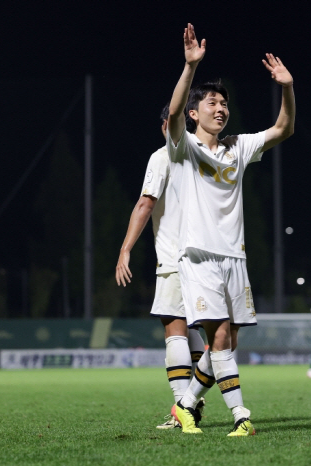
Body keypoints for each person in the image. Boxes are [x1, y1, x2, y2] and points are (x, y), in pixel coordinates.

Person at [166, 23, 295, 436]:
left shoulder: (237, 147)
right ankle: (242, 416)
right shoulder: (185, 146)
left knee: (227, 342)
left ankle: (184, 405)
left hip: (234, 257)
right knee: (219, 335)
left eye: (224, 103)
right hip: (199, 256)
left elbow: (283, 129)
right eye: (212, 103)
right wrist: (190, 67)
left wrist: (287, 88)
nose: (220, 108)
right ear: (195, 113)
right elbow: (172, 116)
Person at [115, 104, 206, 430]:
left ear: (166, 125)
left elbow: (145, 203)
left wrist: (125, 249)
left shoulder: (162, 156)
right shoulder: (204, 155)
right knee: (195, 330)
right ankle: (194, 401)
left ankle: (184, 406)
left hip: (175, 257)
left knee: (174, 328)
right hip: (207, 258)